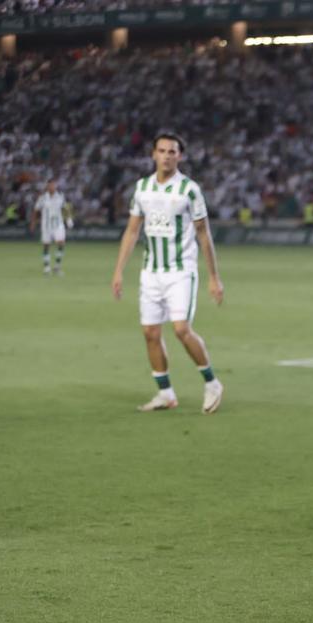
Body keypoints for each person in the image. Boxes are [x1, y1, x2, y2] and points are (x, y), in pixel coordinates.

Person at [110, 133, 226, 414]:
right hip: (151, 272)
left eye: (172, 151)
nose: (166, 156)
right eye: (161, 151)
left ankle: (212, 383)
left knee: (181, 329)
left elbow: (203, 232)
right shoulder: (143, 188)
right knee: (150, 332)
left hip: (180, 270)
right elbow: (133, 229)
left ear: (179, 156)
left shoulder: (189, 190)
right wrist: (118, 271)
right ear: (153, 154)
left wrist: (213, 276)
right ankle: (165, 393)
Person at [31, 179, 71, 277]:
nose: (52, 187)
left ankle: (57, 267)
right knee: (46, 245)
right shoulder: (43, 198)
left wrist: (69, 219)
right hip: (46, 226)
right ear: (47, 186)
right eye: (50, 185)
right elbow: (36, 210)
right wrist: (33, 222)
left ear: (56, 186)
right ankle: (47, 268)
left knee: (61, 243)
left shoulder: (60, 197)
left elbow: (65, 208)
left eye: (53, 185)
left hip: (58, 225)